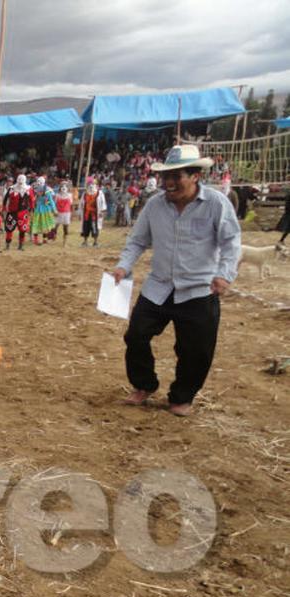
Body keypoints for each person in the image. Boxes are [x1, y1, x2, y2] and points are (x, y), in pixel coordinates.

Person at [112, 144, 241, 417]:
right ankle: (143, 385)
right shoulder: (154, 206)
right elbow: (137, 241)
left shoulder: (217, 204)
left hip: (199, 288)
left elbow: (231, 242)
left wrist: (224, 275)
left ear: (195, 175)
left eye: (176, 176)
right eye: (165, 177)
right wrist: (123, 267)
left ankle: (182, 397)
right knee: (136, 334)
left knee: (196, 349)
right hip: (159, 286)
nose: (169, 183)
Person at [3, 174, 34, 250]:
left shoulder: (28, 189)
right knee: (9, 229)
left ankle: (21, 245)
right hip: (12, 212)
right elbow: (5, 199)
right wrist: (4, 209)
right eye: (19, 180)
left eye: (22, 180)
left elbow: (32, 200)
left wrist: (31, 209)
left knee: (22, 230)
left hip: (23, 213)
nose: (20, 182)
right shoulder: (11, 188)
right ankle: (7, 245)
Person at [30, 176, 56, 245]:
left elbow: (51, 201)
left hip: (45, 210)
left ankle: (45, 239)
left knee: (45, 225)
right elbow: (32, 200)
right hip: (38, 209)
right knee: (36, 224)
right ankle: (36, 239)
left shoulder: (48, 191)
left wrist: (54, 209)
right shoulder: (34, 189)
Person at [79, 181, 105, 247]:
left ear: (95, 185)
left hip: (95, 215)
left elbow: (103, 203)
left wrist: (102, 211)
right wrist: (79, 213)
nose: (91, 186)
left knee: (94, 227)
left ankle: (95, 242)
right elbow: (81, 204)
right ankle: (85, 242)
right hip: (86, 215)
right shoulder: (84, 194)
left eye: (93, 184)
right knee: (85, 227)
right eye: (89, 184)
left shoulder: (99, 193)